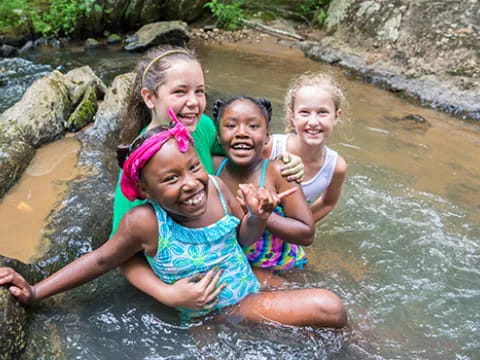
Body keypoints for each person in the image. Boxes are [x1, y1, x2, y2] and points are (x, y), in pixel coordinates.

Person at [0, 122, 347, 328]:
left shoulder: (215, 186)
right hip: (219, 308)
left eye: (193, 167)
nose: (191, 183)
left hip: (246, 279)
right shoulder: (145, 222)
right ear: (146, 191)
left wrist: (258, 217)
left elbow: (241, 240)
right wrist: (34, 292)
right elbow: (102, 260)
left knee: (345, 313)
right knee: (329, 307)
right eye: (170, 179)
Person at [113, 44, 305, 310]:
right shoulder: (139, 168)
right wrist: (166, 294)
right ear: (149, 97)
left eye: (199, 91)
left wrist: (283, 156)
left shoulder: (201, 126)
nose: (194, 102)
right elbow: (122, 255)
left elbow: (239, 149)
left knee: (298, 286)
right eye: (180, 91)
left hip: (225, 247)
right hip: (189, 280)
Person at [213, 96, 314, 271]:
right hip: (237, 268)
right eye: (231, 125)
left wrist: (264, 215)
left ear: (267, 137)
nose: (242, 133)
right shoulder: (213, 169)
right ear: (219, 137)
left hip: (283, 267)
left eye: (253, 126)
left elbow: (306, 234)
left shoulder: (278, 172)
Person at [264, 72, 348, 223]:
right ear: (292, 116)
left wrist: (299, 225)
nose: (313, 122)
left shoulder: (336, 167)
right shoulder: (270, 147)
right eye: (304, 112)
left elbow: (327, 203)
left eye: (322, 112)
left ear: (337, 115)